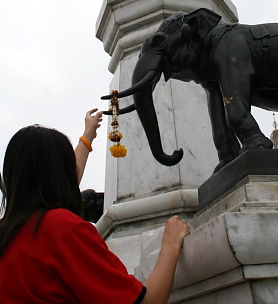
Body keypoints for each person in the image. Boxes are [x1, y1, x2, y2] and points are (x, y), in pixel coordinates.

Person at [0, 108, 190, 303]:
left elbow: (63, 183)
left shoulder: (8, 233)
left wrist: (88, 135)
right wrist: (171, 244)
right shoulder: (61, 229)